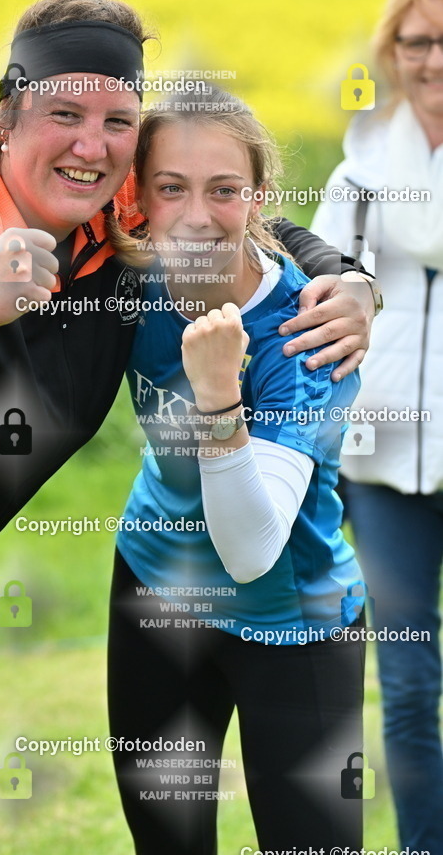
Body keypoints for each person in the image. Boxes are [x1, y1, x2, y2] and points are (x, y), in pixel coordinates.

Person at [0, 0, 375, 852]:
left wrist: (347, 278)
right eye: (64, 114)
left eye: (116, 121)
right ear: (9, 113)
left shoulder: (115, 212)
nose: (90, 146)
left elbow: (231, 214)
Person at [107, 91, 367, 854]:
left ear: (257, 197)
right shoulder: (128, 275)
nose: (194, 216)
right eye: (170, 187)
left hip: (292, 623)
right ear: (139, 197)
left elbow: (250, 549)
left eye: (223, 189)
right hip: (155, 587)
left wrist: (220, 395)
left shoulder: (307, 335)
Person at [310, 0, 443, 855]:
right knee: (404, 680)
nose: (435, 59)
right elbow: (314, 306)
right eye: (417, 40)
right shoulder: (359, 171)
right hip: (382, 466)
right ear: (391, 53)